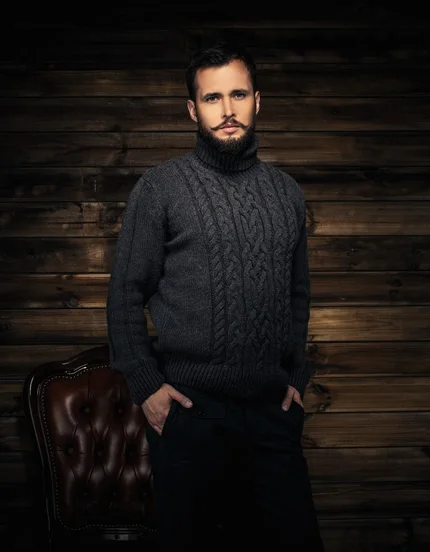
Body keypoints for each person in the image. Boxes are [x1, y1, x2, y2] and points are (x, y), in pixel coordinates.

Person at [105, 40, 324, 551]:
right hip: (189, 416)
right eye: (212, 98)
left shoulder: (286, 191)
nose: (227, 111)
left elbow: (298, 292)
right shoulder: (161, 188)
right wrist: (145, 385)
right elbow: (125, 293)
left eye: (238, 94)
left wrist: (295, 374)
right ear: (192, 109)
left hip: (271, 415)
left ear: (257, 100)